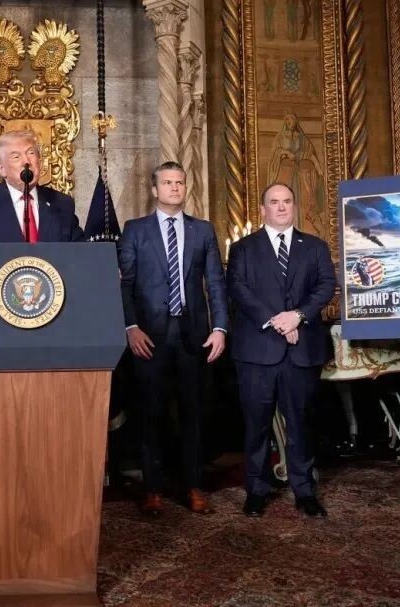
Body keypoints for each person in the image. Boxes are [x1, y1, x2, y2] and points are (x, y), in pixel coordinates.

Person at [118, 161, 228, 516]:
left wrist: (220, 328)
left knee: (193, 414)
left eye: (179, 182)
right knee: (150, 414)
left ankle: (194, 487)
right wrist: (130, 327)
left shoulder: (203, 231)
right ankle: (153, 490)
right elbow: (124, 284)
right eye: (167, 182)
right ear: (155, 190)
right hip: (148, 337)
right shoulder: (135, 230)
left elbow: (215, 283)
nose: (174, 188)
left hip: (193, 336)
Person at [227, 182, 335, 518]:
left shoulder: (315, 247)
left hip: (302, 351)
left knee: (301, 424)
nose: (282, 207)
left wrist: (297, 316)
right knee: (256, 425)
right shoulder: (243, 249)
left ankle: (304, 491)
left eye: (287, 201)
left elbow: (326, 286)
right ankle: (256, 490)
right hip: (256, 352)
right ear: (263, 209)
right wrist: (277, 321)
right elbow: (238, 288)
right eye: (274, 202)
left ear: (294, 206)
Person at [0, 129, 84, 243]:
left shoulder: (62, 204)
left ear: (40, 162)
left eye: (31, 153)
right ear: (1, 169)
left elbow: (81, 255)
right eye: (16, 157)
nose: (26, 161)